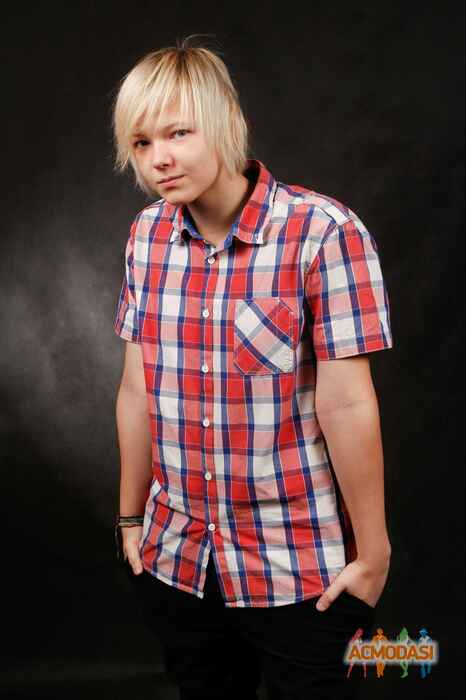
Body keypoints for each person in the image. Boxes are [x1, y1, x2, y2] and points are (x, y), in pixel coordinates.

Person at [111, 34, 394, 700]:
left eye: (178, 132)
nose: (159, 159)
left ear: (226, 123)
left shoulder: (322, 232)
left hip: (298, 567)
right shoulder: (147, 236)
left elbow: (347, 403)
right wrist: (130, 520)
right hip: (178, 562)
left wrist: (374, 551)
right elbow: (136, 387)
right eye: (142, 143)